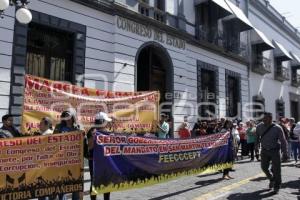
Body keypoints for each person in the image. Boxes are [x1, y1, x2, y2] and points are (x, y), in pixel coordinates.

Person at [256, 112, 288, 194]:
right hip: (264, 150)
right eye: (263, 118)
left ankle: (277, 184)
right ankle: (271, 178)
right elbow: (257, 138)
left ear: (270, 118)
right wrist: (256, 148)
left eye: (266, 118)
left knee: (277, 169)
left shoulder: (277, 128)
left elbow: (283, 141)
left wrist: (285, 153)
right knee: (264, 167)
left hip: (275, 150)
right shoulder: (259, 126)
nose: (264, 119)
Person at [53, 110, 81, 200]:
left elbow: (81, 141)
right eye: (65, 116)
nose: (67, 119)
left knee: (75, 183)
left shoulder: (77, 127)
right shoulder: (59, 127)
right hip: (61, 160)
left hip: (74, 160)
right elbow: (53, 140)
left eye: (69, 116)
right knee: (61, 183)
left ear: (73, 117)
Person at [86, 112, 112, 200]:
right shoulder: (92, 131)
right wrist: (95, 137)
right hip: (94, 161)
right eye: (106, 121)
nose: (107, 123)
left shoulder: (106, 132)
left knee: (107, 182)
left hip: (106, 161)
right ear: (102, 121)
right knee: (94, 182)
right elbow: (90, 146)